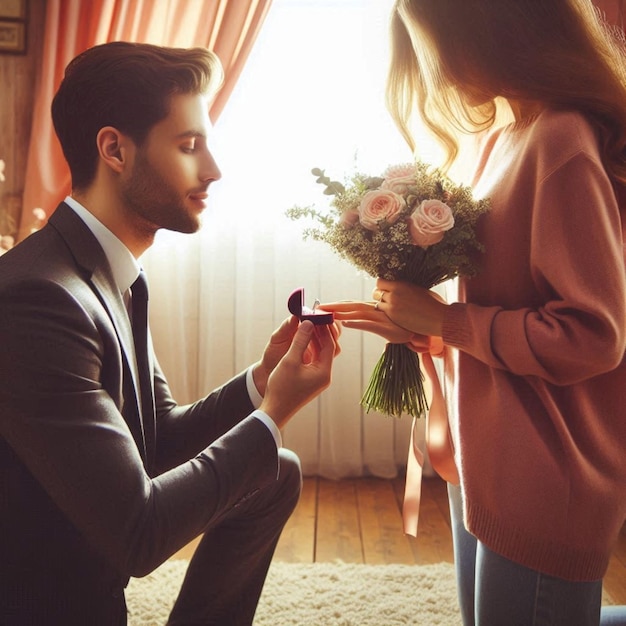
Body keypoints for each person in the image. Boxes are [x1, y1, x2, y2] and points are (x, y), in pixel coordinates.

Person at [0, 41, 340, 625]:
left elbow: (153, 443)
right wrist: (274, 413)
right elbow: (138, 535)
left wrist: (262, 384)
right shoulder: (37, 300)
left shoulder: (114, 273)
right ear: (114, 149)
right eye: (189, 146)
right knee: (265, 448)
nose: (213, 170)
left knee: (274, 472)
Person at [321, 1, 626, 624]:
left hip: (545, 473)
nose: (435, 71)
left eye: (435, 46)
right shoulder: (504, 136)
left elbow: (594, 337)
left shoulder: (560, 140)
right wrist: (424, 330)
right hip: (485, 454)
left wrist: (444, 323)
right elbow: (502, 306)